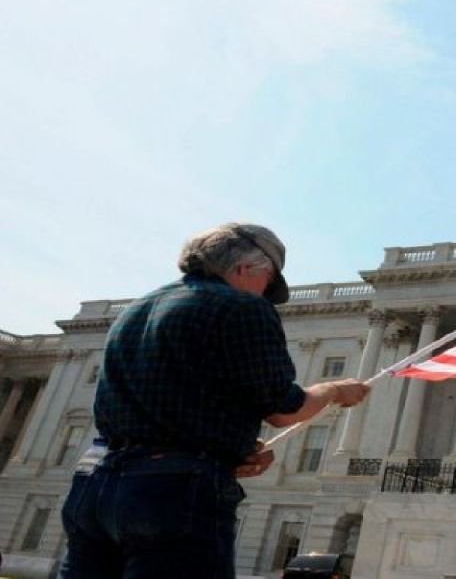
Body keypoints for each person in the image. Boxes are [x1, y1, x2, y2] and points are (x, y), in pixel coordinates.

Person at [58, 222, 371, 578]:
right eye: (268, 281)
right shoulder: (242, 307)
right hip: (173, 490)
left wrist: (229, 447)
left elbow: (167, 407)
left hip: (95, 481)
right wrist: (334, 391)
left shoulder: (134, 311)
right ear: (245, 268)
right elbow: (285, 409)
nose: (266, 294)